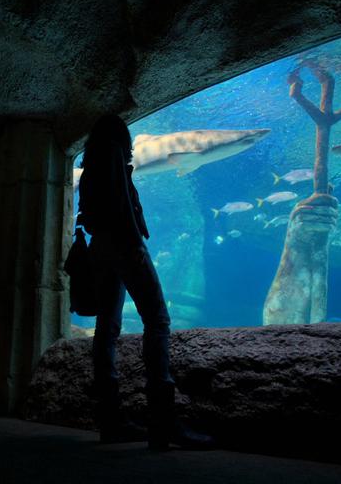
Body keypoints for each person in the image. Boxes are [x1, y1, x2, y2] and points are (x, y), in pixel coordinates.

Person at [77, 114, 216, 451]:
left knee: (106, 329)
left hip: (100, 248)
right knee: (158, 321)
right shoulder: (113, 156)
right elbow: (121, 204)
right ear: (120, 138)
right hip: (125, 245)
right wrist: (136, 244)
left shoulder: (91, 163)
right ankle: (163, 422)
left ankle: (111, 420)